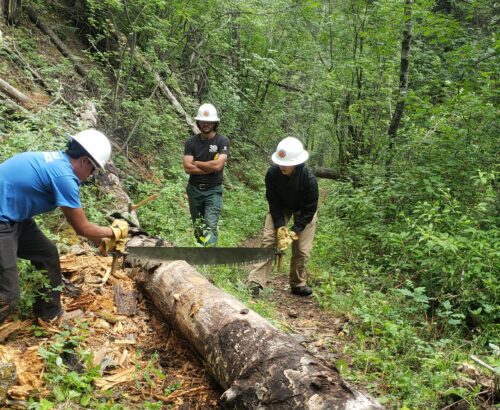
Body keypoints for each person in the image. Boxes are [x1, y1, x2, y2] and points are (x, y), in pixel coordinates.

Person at [0, 129, 128, 324]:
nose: (90, 175)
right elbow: (81, 228)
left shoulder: (56, 161)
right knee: (7, 295)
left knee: (46, 253)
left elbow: (78, 223)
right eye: (93, 170)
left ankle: (49, 315)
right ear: (85, 161)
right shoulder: (64, 177)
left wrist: (102, 241)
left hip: (14, 215)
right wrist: (114, 231)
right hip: (3, 220)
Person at [248, 137, 318, 297]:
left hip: (304, 211)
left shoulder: (309, 180)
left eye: (286, 163)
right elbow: (273, 202)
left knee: (301, 250)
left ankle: (298, 284)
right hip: (281, 207)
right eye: (280, 162)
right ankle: (256, 282)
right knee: (269, 240)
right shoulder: (272, 174)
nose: (282, 166)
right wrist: (280, 226)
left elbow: (310, 209)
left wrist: (295, 231)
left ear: (297, 163)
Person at [183, 103, 229, 246]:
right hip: (194, 189)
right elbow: (187, 168)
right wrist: (210, 167)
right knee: (198, 225)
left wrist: (197, 163)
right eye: (203, 121)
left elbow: (218, 165)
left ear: (215, 123)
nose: (206, 124)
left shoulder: (222, 141)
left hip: (213, 190)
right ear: (198, 122)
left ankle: (210, 258)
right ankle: (199, 260)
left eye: (209, 121)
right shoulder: (191, 142)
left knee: (210, 225)